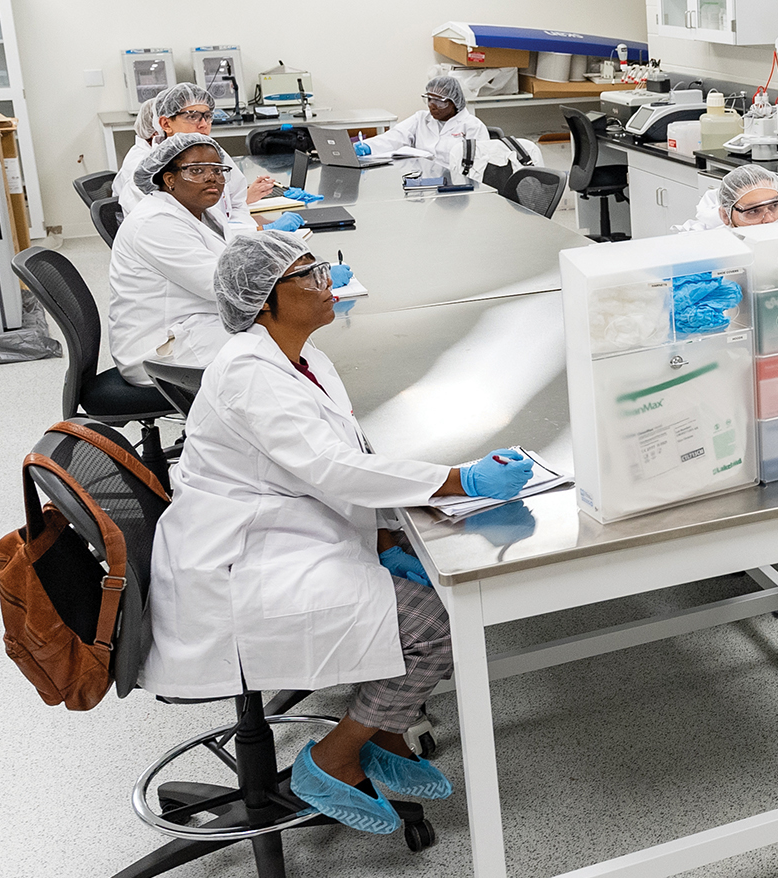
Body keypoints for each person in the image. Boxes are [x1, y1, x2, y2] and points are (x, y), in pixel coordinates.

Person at [140, 230, 540, 833]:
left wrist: (382, 540)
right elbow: (331, 468)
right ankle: (334, 756)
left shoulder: (302, 356)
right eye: (308, 277)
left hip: (292, 530)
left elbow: (337, 453)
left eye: (321, 270)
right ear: (263, 301)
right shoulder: (252, 372)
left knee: (424, 590)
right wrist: (462, 480)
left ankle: (387, 739)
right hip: (240, 565)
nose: (328, 285)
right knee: (436, 624)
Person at [108, 134, 326, 386]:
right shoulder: (155, 222)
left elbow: (237, 258)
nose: (212, 177)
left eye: (218, 170)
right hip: (161, 348)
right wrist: (300, 282)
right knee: (280, 342)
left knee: (290, 340)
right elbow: (223, 286)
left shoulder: (201, 211)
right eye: (196, 170)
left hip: (199, 321)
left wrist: (292, 264)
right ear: (169, 180)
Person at [114, 82, 283, 230]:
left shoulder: (214, 152)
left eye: (208, 116)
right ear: (165, 124)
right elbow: (170, 230)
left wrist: (247, 232)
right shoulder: (149, 173)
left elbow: (237, 201)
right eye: (192, 116)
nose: (203, 125)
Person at [355, 73, 485, 171]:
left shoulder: (473, 126)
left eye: (439, 101)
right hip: (422, 182)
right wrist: (367, 146)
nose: (432, 106)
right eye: (429, 99)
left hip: (457, 186)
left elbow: (480, 165)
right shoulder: (421, 118)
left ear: (454, 102)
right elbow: (395, 136)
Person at [679, 162, 778, 232]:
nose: (770, 219)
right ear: (725, 216)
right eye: (754, 211)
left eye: (774, 206)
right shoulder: (711, 252)